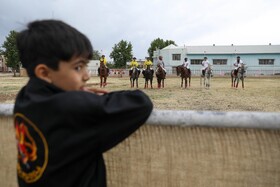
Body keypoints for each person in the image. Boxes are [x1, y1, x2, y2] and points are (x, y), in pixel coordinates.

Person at [14, 19, 153, 187]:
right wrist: (84, 98)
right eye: (78, 67)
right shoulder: (75, 107)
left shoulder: (24, 98)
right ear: (44, 72)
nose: (87, 76)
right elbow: (141, 103)